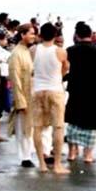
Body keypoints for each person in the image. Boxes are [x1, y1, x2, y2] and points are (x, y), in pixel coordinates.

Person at [65, 23, 96, 164]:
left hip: (76, 90)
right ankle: (87, 155)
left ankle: (72, 152)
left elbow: (65, 71)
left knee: (74, 122)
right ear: (91, 35)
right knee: (91, 125)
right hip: (93, 91)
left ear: (77, 36)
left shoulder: (70, 50)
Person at [31, 23, 71, 174]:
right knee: (58, 127)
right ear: (55, 36)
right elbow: (65, 68)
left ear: (40, 35)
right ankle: (57, 164)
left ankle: (41, 163)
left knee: (38, 127)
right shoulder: (60, 52)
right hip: (55, 89)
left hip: (38, 89)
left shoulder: (33, 50)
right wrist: (58, 76)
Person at [7, 23, 37, 168]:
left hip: (30, 94)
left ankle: (28, 154)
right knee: (22, 128)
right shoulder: (16, 54)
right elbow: (15, 78)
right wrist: (20, 101)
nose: (33, 36)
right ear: (23, 35)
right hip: (23, 96)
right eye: (31, 33)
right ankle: (24, 157)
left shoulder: (26, 51)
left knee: (29, 127)